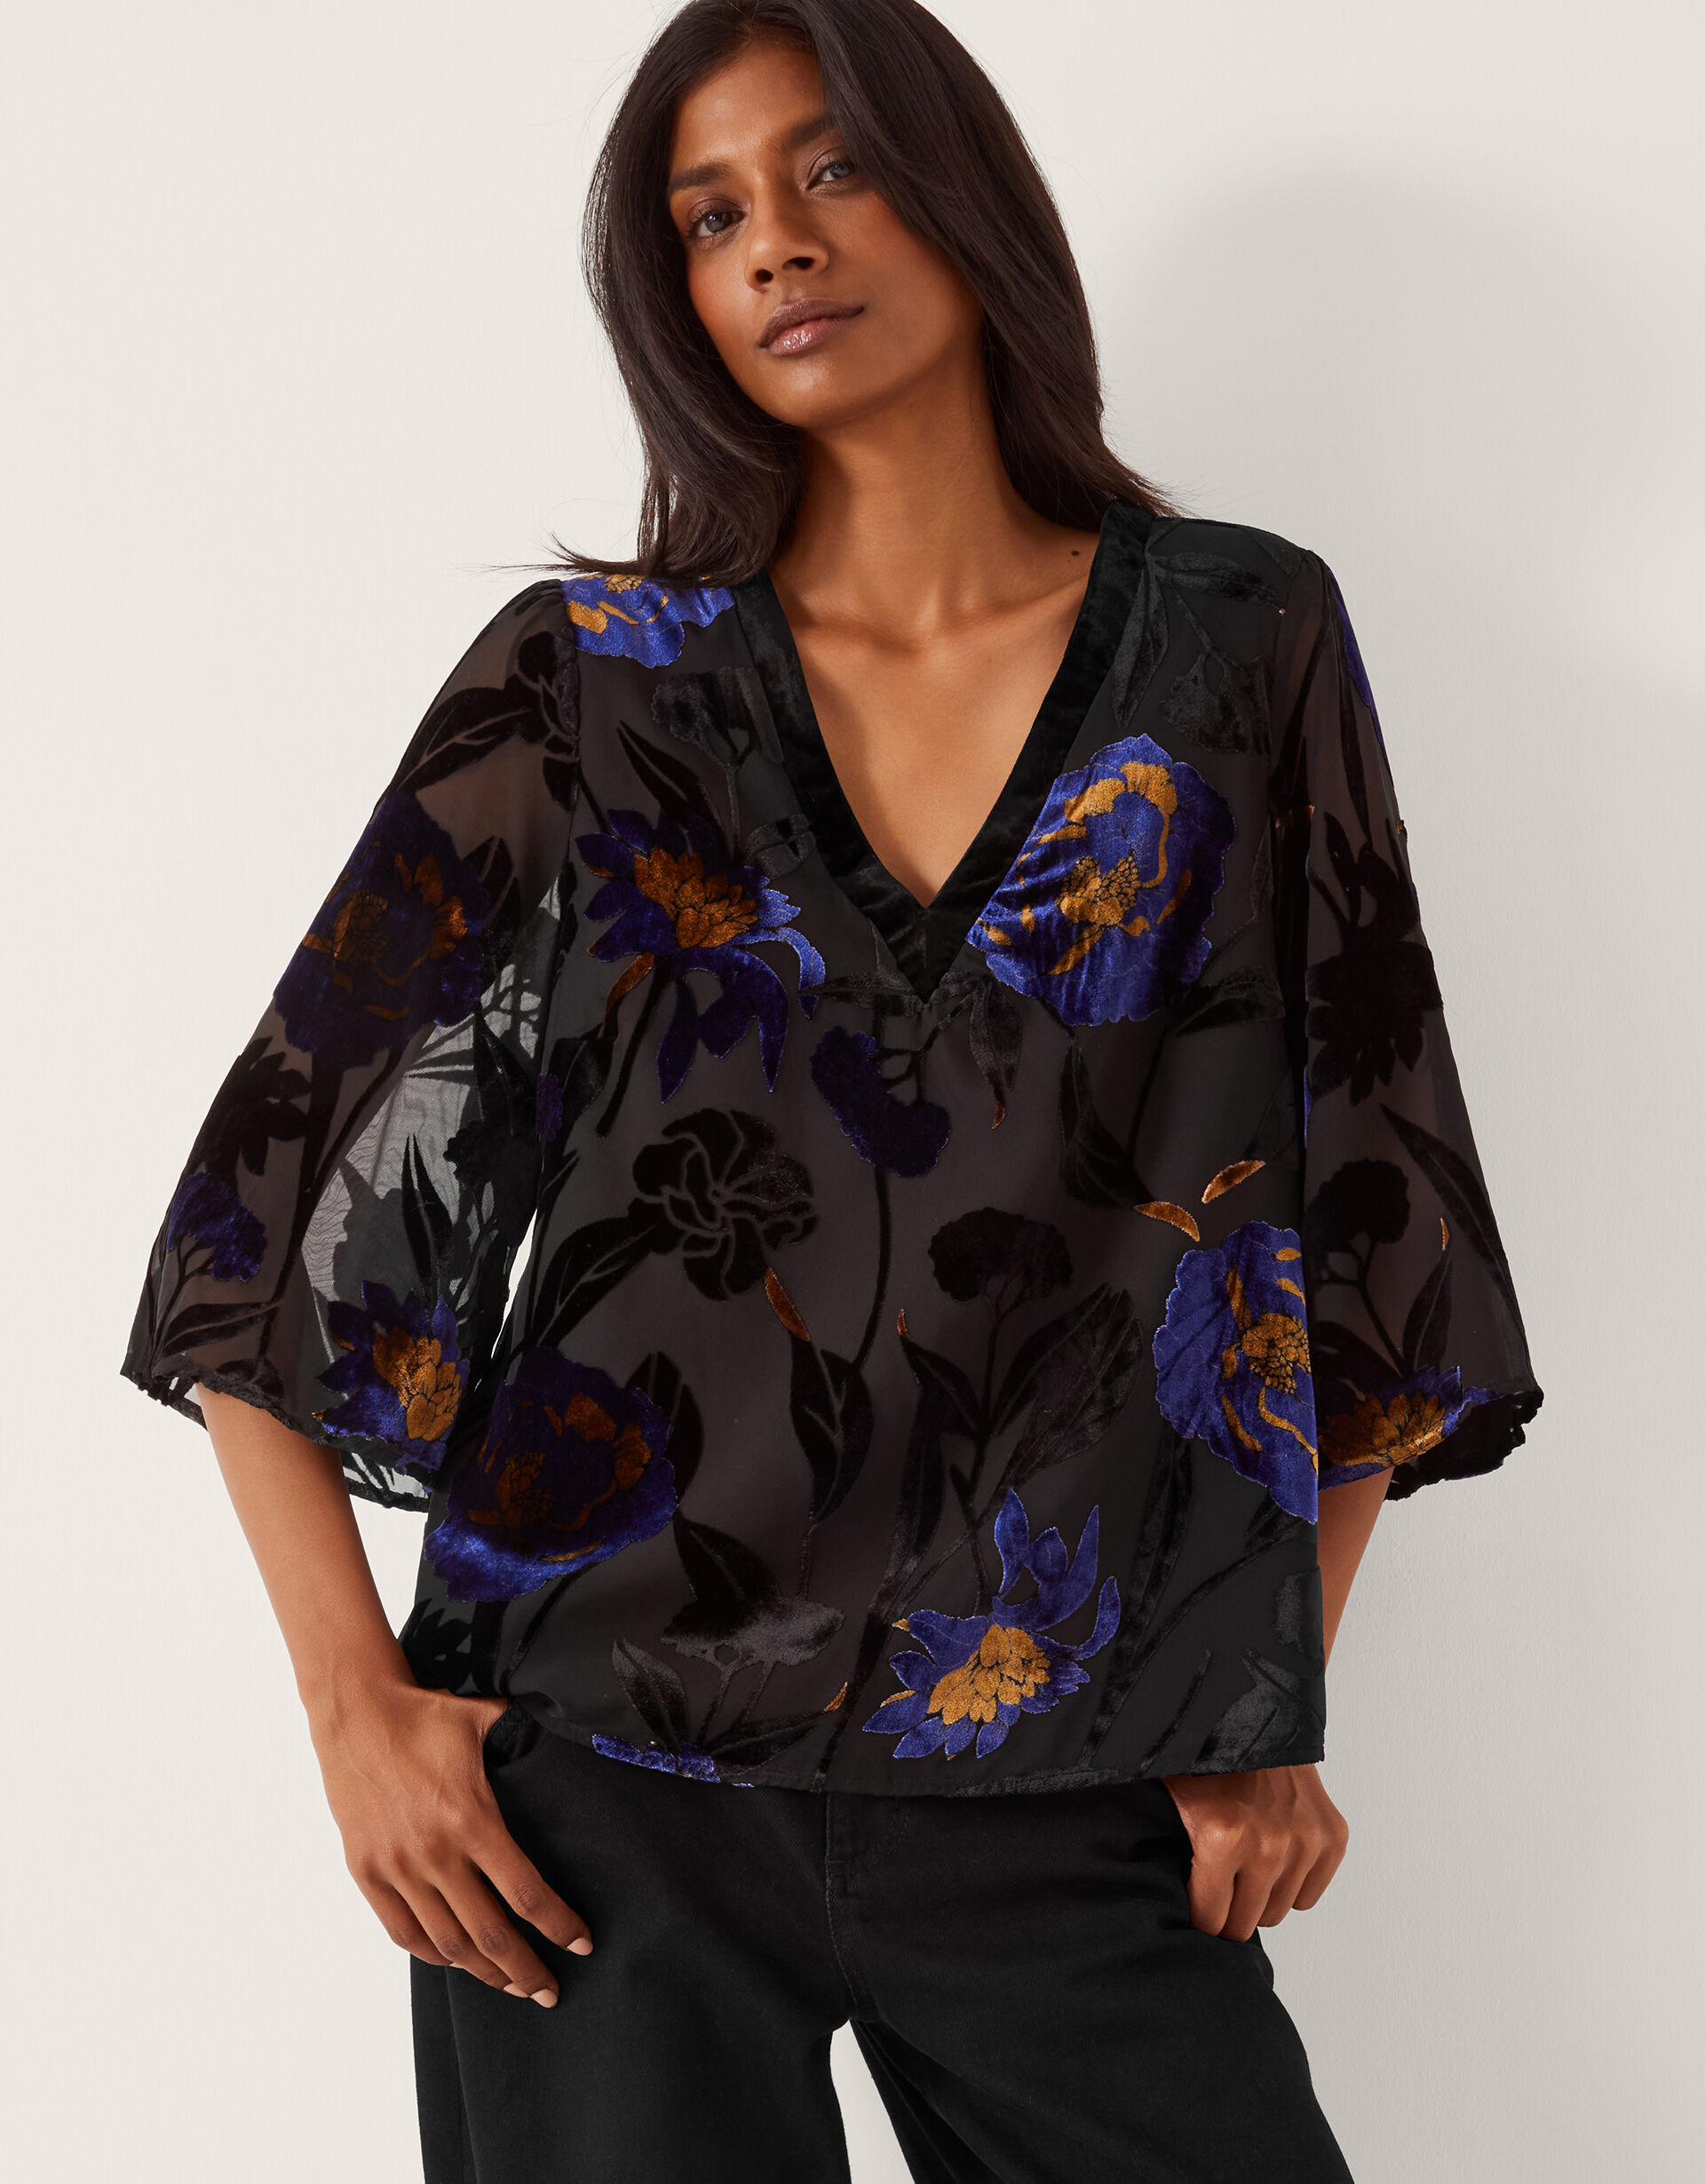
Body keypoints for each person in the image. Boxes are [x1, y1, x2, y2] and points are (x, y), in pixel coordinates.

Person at [122, 3, 1542, 2178]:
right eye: (710, 217)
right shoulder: (591, 684)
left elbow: (1377, 1210)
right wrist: (356, 1717)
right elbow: (275, 1216)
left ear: (963, 192)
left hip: (1074, 1776)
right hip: (599, 1791)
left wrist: (1265, 1701)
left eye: (831, 168)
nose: (776, 242)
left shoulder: (1240, 644)